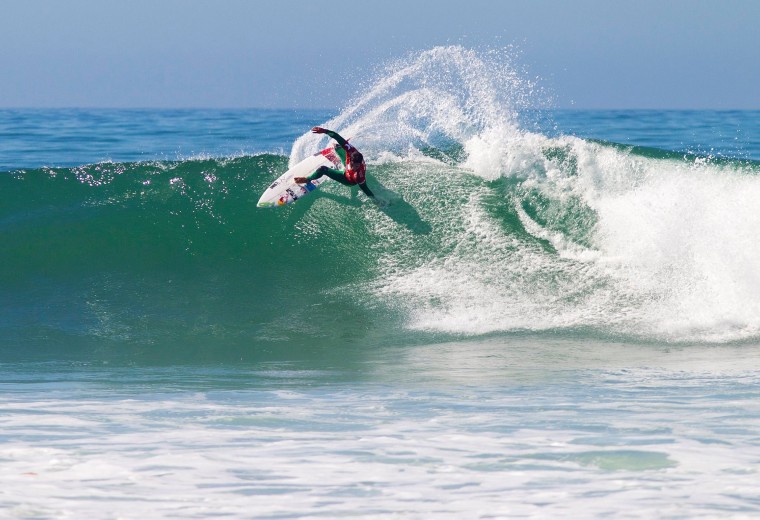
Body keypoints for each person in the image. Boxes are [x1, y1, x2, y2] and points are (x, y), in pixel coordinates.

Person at [294, 127, 374, 198]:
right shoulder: (350, 150)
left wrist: (376, 200)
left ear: (359, 164)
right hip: (347, 165)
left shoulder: (358, 175)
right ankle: (340, 161)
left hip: (348, 179)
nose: (354, 168)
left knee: (323, 169)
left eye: (357, 166)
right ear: (350, 159)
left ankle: (307, 179)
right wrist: (324, 131)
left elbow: (366, 190)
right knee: (337, 146)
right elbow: (337, 136)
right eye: (353, 165)